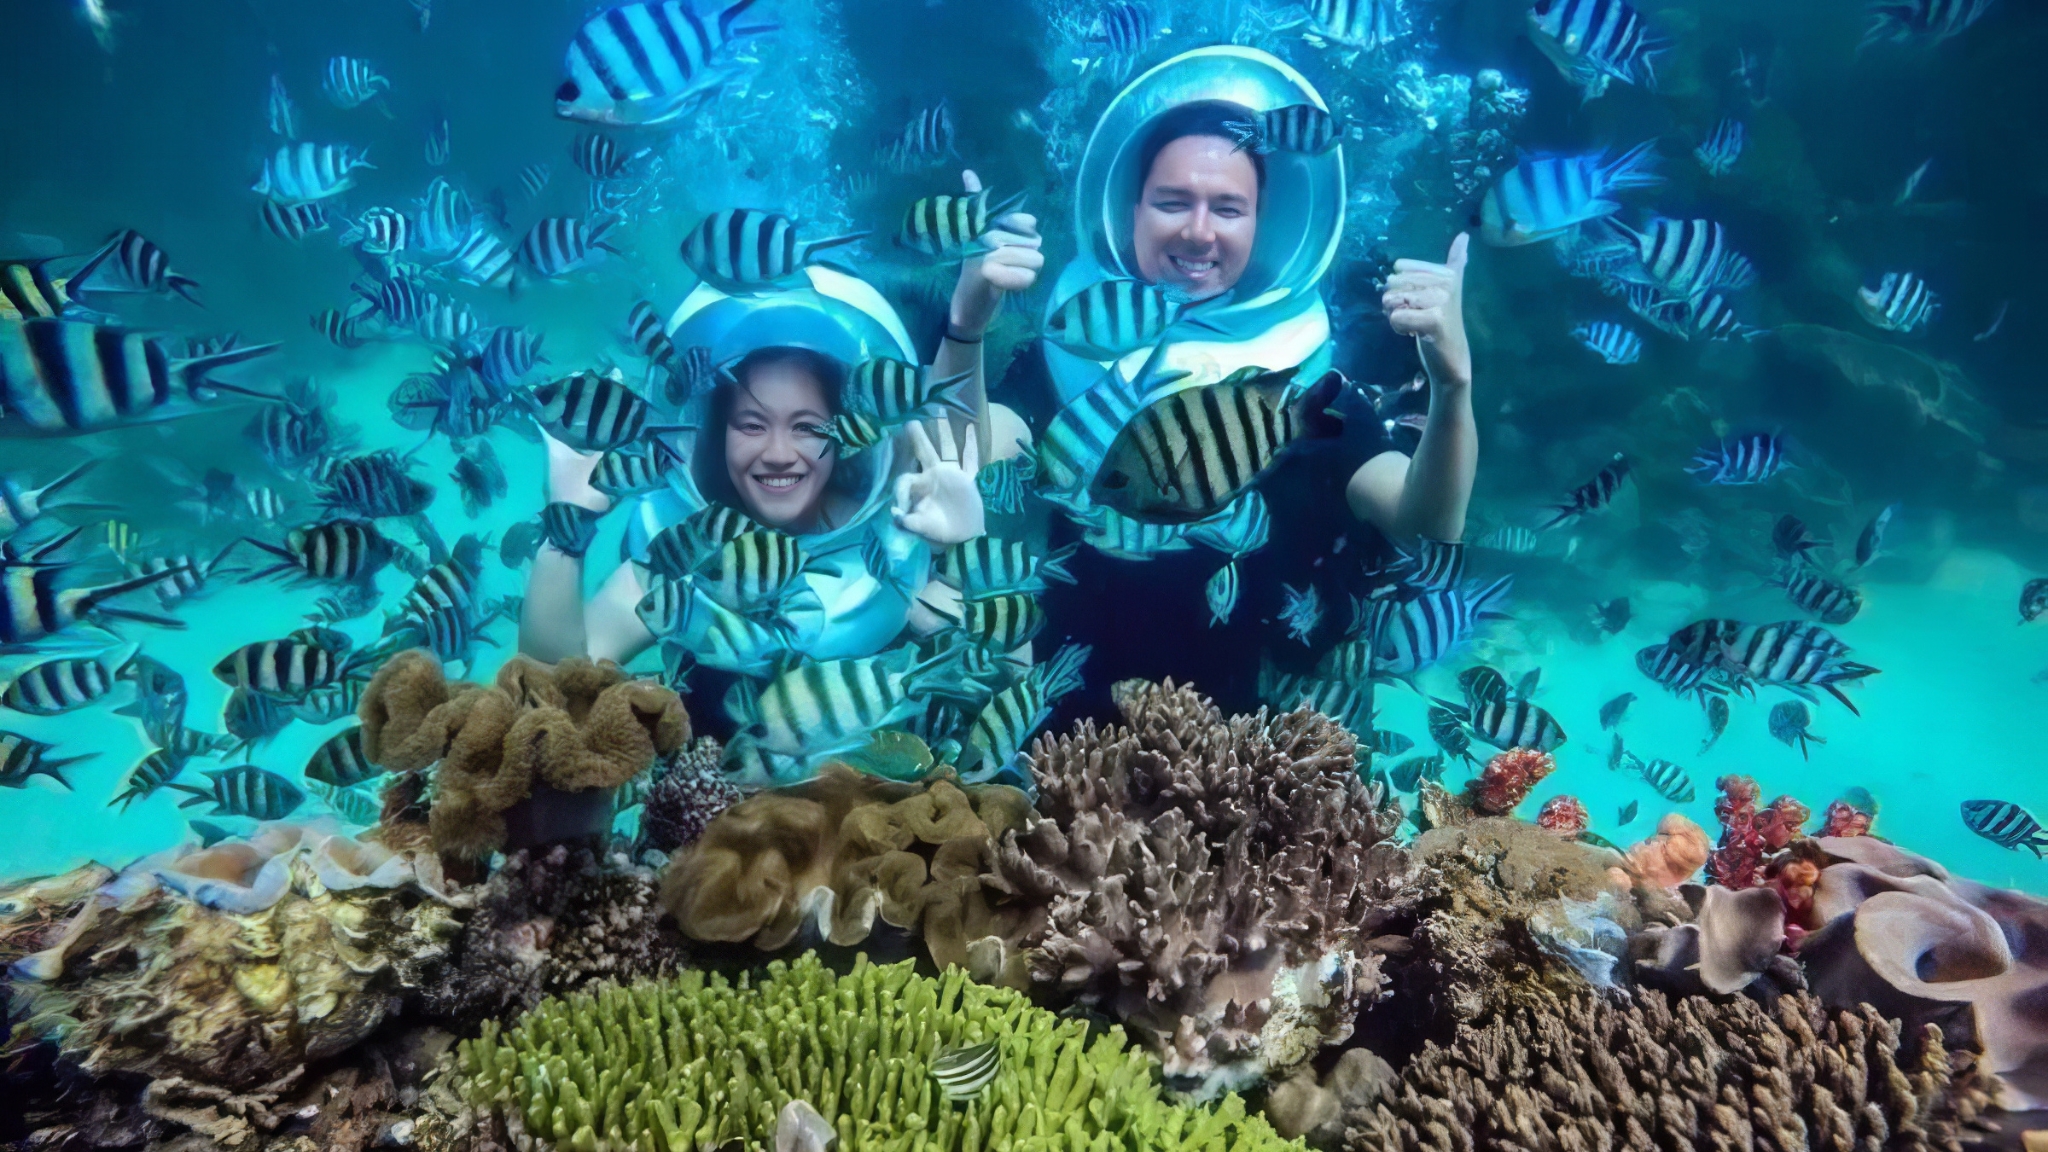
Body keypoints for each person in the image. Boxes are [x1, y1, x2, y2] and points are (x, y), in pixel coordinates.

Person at [1034, 46, 1477, 714]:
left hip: (1254, 765)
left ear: (1264, 223)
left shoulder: (1305, 386)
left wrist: (1453, 388)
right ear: (1130, 211)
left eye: (1229, 208)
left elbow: (1426, 519)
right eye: (1171, 200)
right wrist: (968, 328)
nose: (1198, 230)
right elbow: (978, 446)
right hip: (1061, 741)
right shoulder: (1068, 352)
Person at [519, 182, 1043, 676]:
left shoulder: (906, 532)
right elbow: (552, 690)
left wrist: (964, 553)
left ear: (849, 430)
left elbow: (1015, 689)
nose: (777, 452)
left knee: (1005, 431)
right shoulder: (685, 550)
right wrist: (565, 535)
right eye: (750, 423)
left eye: (809, 426)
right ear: (711, 433)